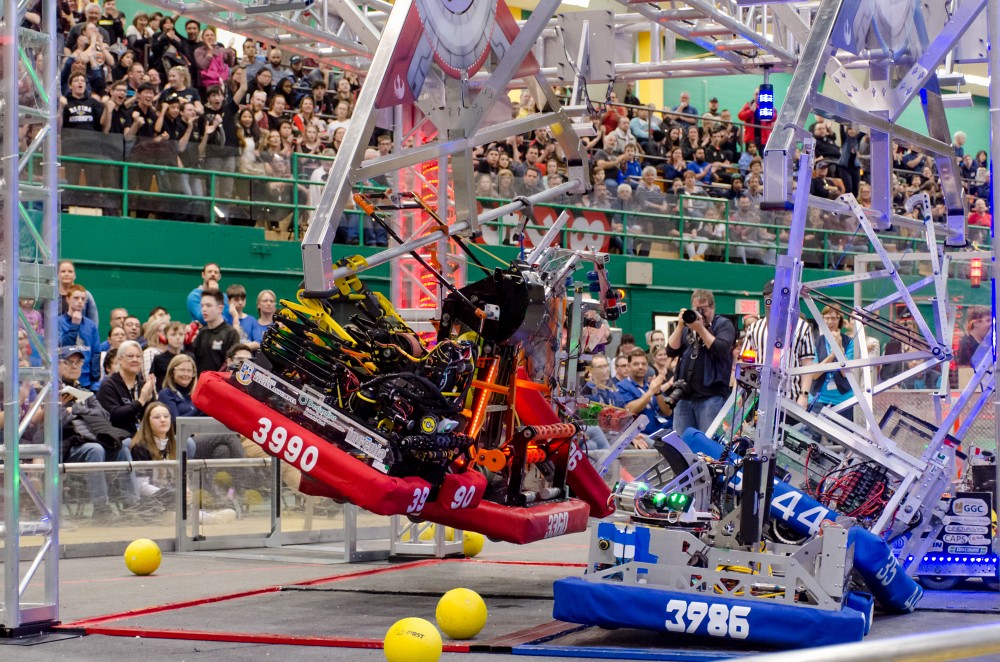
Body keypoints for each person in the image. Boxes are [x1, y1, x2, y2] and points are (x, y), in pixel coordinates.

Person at [58, 346, 143, 523]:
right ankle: (101, 507)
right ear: (57, 365)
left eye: (78, 362)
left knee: (122, 447)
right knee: (95, 449)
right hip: (68, 445)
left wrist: (76, 410)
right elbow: (59, 421)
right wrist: (82, 412)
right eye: (68, 362)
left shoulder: (86, 393)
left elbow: (104, 416)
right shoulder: (52, 393)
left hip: (92, 438)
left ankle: (131, 503)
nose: (74, 366)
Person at [666, 289, 736, 433]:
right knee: (681, 442)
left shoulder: (723, 325)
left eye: (703, 309)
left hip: (711, 397)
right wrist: (680, 326)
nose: (699, 313)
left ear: (712, 307)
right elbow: (671, 351)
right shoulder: (688, 327)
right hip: (684, 396)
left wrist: (701, 329)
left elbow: (721, 349)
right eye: (696, 309)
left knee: (707, 441)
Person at [740, 280, 815, 408]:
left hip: (791, 397)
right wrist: (741, 392)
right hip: (758, 396)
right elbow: (746, 362)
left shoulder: (802, 327)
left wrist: (804, 395)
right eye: (767, 296)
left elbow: (806, 364)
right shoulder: (755, 328)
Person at [96, 339, 157, 433]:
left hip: (142, 434)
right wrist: (141, 401)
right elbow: (114, 416)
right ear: (119, 359)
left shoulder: (143, 385)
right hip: (119, 436)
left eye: (138, 356)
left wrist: (150, 400)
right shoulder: (108, 386)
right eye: (130, 356)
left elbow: (151, 416)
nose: (135, 360)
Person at [614, 348, 667, 441]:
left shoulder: (650, 384)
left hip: (663, 430)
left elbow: (667, 411)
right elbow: (629, 410)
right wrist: (650, 392)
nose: (640, 367)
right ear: (628, 367)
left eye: (644, 364)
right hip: (643, 435)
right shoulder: (621, 386)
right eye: (636, 364)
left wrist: (657, 392)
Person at [810, 307, 856, 408]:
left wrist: (840, 349)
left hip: (843, 398)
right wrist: (832, 356)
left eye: (834, 318)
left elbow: (846, 373)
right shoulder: (815, 341)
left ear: (839, 320)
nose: (830, 321)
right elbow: (814, 375)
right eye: (827, 318)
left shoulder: (849, 342)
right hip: (819, 398)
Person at [58, 284, 102, 388]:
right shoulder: (58, 322)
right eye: (76, 298)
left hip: (86, 379)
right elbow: (63, 348)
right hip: (65, 377)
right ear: (68, 299)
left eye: (83, 299)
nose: (80, 301)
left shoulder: (91, 325)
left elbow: (96, 352)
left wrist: (94, 379)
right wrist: (74, 325)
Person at [192, 289, 241, 374]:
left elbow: (232, 366)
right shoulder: (201, 333)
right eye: (202, 306)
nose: (204, 309)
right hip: (201, 381)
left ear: (220, 308)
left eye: (208, 305)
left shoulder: (231, 333)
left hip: (220, 381)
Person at [158, 353, 202, 420]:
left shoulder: (197, 395)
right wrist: (199, 409)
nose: (186, 374)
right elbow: (175, 421)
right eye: (182, 370)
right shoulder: (166, 394)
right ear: (172, 372)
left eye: (189, 371)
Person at [152, 320, 192, 389]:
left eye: (181, 334)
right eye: (173, 334)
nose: (178, 337)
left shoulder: (189, 357)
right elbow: (152, 380)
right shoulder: (158, 359)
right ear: (165, 337)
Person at [226, 284, 264, 349]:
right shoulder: (224, 318)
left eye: (243, 299)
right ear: (228, 301)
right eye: (236, 299)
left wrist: (241, 348)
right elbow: (232, 342)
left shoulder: (251, 320)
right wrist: (235, 317)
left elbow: (258, 342)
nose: (240, 302)